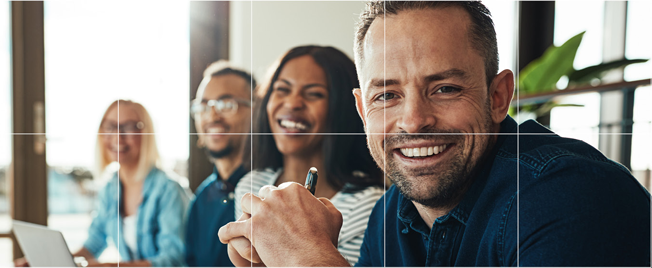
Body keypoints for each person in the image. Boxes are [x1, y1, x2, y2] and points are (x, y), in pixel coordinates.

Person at [218, 1, 651, 266]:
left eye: (444, 88)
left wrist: (310, 259)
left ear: (498, 96)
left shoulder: (573, 197)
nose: (413, 120)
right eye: (386, 95)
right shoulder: (392, 211)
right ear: (362, 112)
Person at [228, 45, 384, 266]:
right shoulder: (251, 184)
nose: (292, 103)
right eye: (282, 89)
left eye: (314, 94)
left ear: (343, 110)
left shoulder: (369, 205)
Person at [15, 100, 189, 267]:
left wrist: (109, 267)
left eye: (128, 127)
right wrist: (50, 263)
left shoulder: (169, 190)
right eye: (110, 127)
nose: (117, 137)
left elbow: (172, 261)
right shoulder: (111, 188)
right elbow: (94, 244)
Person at [185, 61, 256, 267]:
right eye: (203, 106)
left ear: (256, 111)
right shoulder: (201, 199)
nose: (212, 116)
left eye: (226, 105)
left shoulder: (274, 188)